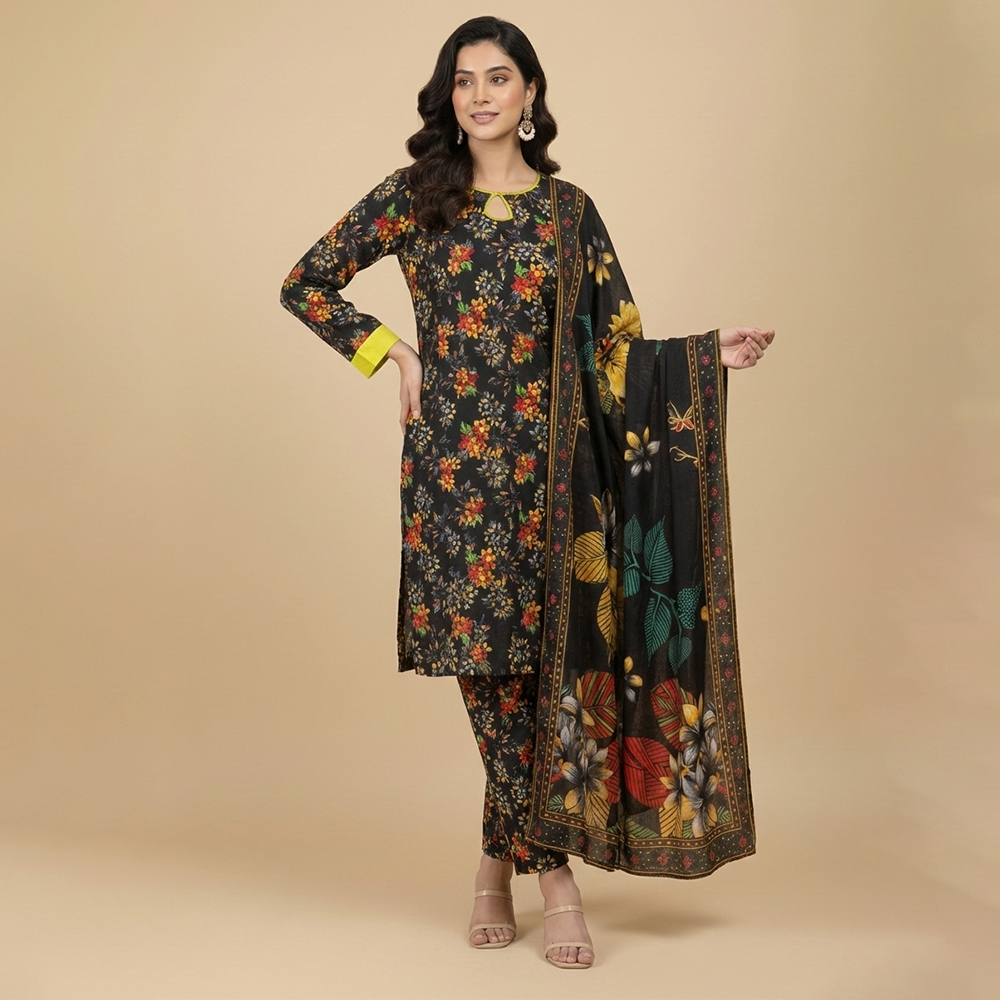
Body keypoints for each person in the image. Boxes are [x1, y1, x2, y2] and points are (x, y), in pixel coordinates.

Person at [280, 16, 773, 970]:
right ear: (448, 96)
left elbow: (612, 349)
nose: (480, 96)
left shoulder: (568, 213)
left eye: (498, 78)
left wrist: (703, 354)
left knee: (539, 673)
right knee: (489, 667)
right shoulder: (417, 197)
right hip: (454, 477)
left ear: (530, 94)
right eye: (464, 80)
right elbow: (308, 284)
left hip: (556, 475)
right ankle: (555, 883)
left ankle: (489, 867)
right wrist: (392, 353)